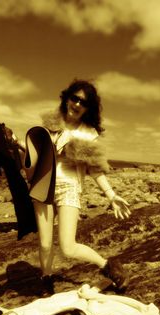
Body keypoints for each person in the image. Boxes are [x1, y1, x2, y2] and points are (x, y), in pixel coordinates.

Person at [21, 79, 131, 292]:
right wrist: (19, 147)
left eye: (84, 102)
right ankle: (47, 279)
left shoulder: (88, 134)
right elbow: (32, 161)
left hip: (69, 188)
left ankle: (110, 267)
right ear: (67, 98)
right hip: (42, 186)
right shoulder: (49, 125)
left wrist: (111, 195)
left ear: (88, 108)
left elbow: (95, 168)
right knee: (44, 243)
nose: (78, 104)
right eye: (75, 98)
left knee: (68, 247)